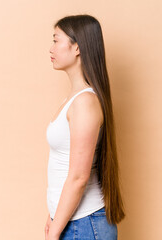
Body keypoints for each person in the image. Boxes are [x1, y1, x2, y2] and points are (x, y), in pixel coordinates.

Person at [45, 14, 125, 240]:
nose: (51, 48)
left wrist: (55, 231)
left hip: (85, 225)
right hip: (73, 221)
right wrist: (52, 216)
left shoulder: (85, 103)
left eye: (56, 40)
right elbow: (61, 168)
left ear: (77, 47)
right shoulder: (74, 100)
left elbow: (79, 177)